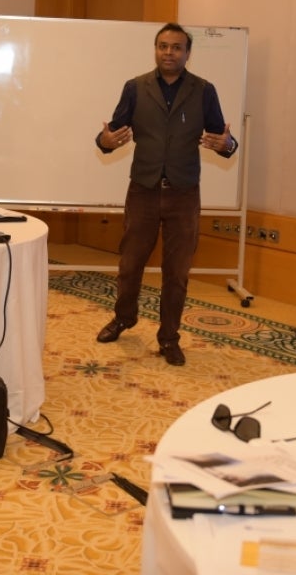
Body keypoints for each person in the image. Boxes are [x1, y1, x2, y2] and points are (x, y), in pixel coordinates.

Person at [93, 23, 237, 366]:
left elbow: (223, 139)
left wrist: (227, 144)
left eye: (175, 47)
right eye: (162, 46)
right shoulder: (135, 87)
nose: (168, 52)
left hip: (183, 194)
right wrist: (104, 142)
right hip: (142, 189)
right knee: (130, 265)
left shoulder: (204, 90)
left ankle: (169, 338)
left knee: (177, 272)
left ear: (187, 53)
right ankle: (124, 318)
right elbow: (109, 134)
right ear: (155, 49)